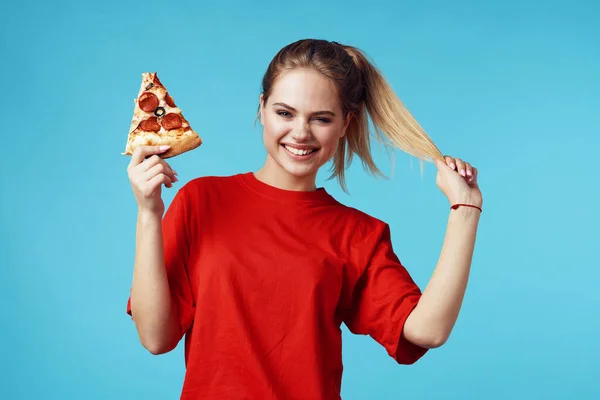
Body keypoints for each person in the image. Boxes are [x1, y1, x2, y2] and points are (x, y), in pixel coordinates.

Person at [125, 39, 483, 399]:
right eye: (285, 113)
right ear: (262, 108)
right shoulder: (201, 201)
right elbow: (156, 337)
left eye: (322, 119)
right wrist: (148, 214)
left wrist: (465, 210)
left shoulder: (358, 234)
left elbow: (427, 331)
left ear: (346, 124)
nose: (300, 133)